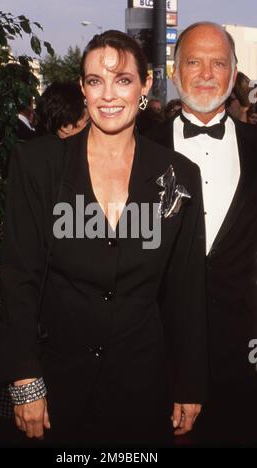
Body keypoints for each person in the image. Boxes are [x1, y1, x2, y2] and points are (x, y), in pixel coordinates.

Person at [0, 30, 207, 447]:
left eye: (122, 79)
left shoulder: (179, 175)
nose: (108, 94)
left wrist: (190, 382)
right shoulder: (38, 164)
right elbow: (18, 277)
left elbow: (186, 287)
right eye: (95, 81)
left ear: (145, 86)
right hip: (51, 386)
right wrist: (24, 375)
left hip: (139, 391)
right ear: (83, 89)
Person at [146, 22, 257, 445]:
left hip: (244, 363)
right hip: (157, 356)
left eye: (218, 63)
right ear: (175, 70)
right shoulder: (140, 148)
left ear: (233, 74)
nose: (207, 74)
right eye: (194, 61)